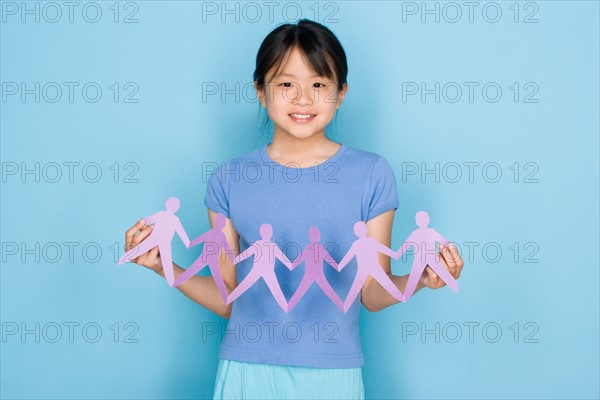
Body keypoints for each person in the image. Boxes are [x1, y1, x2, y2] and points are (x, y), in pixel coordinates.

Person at [122, 19, 464, 399]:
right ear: (260, 91)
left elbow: (371, 291)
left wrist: (420, 278)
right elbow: (228, 296)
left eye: (319, 84)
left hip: (333, 374)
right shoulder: (229, 179)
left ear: (342, 92)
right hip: (247, 371)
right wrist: (161, 265)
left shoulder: (370, 174)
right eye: (286, 84)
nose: (303, 98)